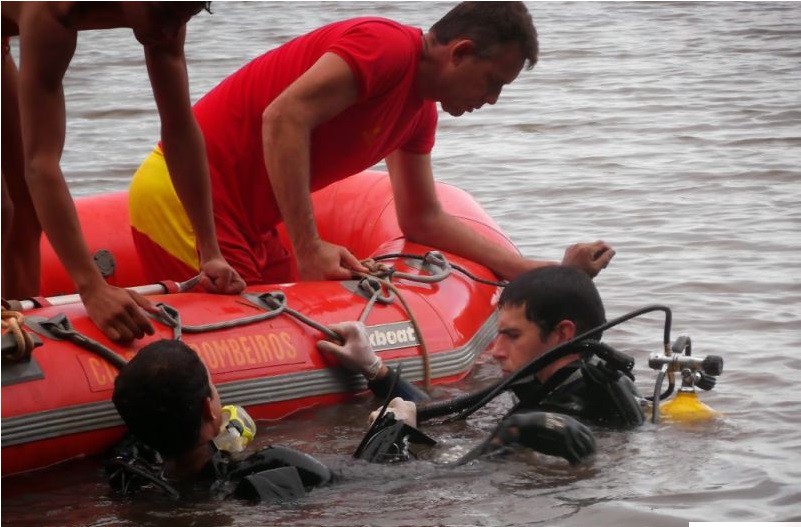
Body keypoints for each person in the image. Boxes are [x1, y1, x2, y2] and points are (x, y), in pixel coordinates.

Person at [128, 2, 615, 287]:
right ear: (461, 51)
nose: (491, 99)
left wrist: (535, 268)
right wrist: (310, 246)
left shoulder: (419, 112)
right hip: (183, 197)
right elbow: (283, 117)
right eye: (492, 82)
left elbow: (422, 218)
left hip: (250, 222)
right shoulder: (386, 47)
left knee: (298, 326)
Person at [1, 2, 245, 345]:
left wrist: (210, 251)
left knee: (26, 211)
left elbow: (178, 127)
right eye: (166, 14)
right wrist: (92, 288)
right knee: (5, 210)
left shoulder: (166, 10)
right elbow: (40, 163)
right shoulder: (53, 10)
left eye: (187, 15)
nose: (171, 30)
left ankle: (16, 331)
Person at [318, 265, 645, 463]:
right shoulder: (576, 384)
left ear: (563, 334)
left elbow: (429, 484)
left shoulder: (561, 410)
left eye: (512, 335)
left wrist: (389, 435)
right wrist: (375, 369)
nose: (496, 352)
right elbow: (456, 412)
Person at [110, 340, 332, 501]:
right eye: (213, 387)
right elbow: (360, 477)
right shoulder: (275, 462)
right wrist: (368, 372)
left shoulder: (128, 478)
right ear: (208, 408)